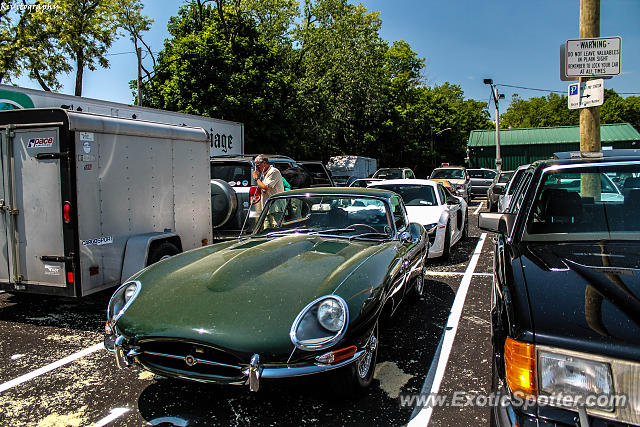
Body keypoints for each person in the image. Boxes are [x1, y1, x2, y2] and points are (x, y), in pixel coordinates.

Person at [253, 155, 285, 226]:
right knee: (266, 227)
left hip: (276, 206)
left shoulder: (273, 171)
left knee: (277, 227)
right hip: (267, 206)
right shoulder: (265, 174)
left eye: (258, 166)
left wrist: (256, 178)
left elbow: (265, 187)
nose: (257, 168)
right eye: (255, 166)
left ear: (264, 163)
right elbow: (264, 189)